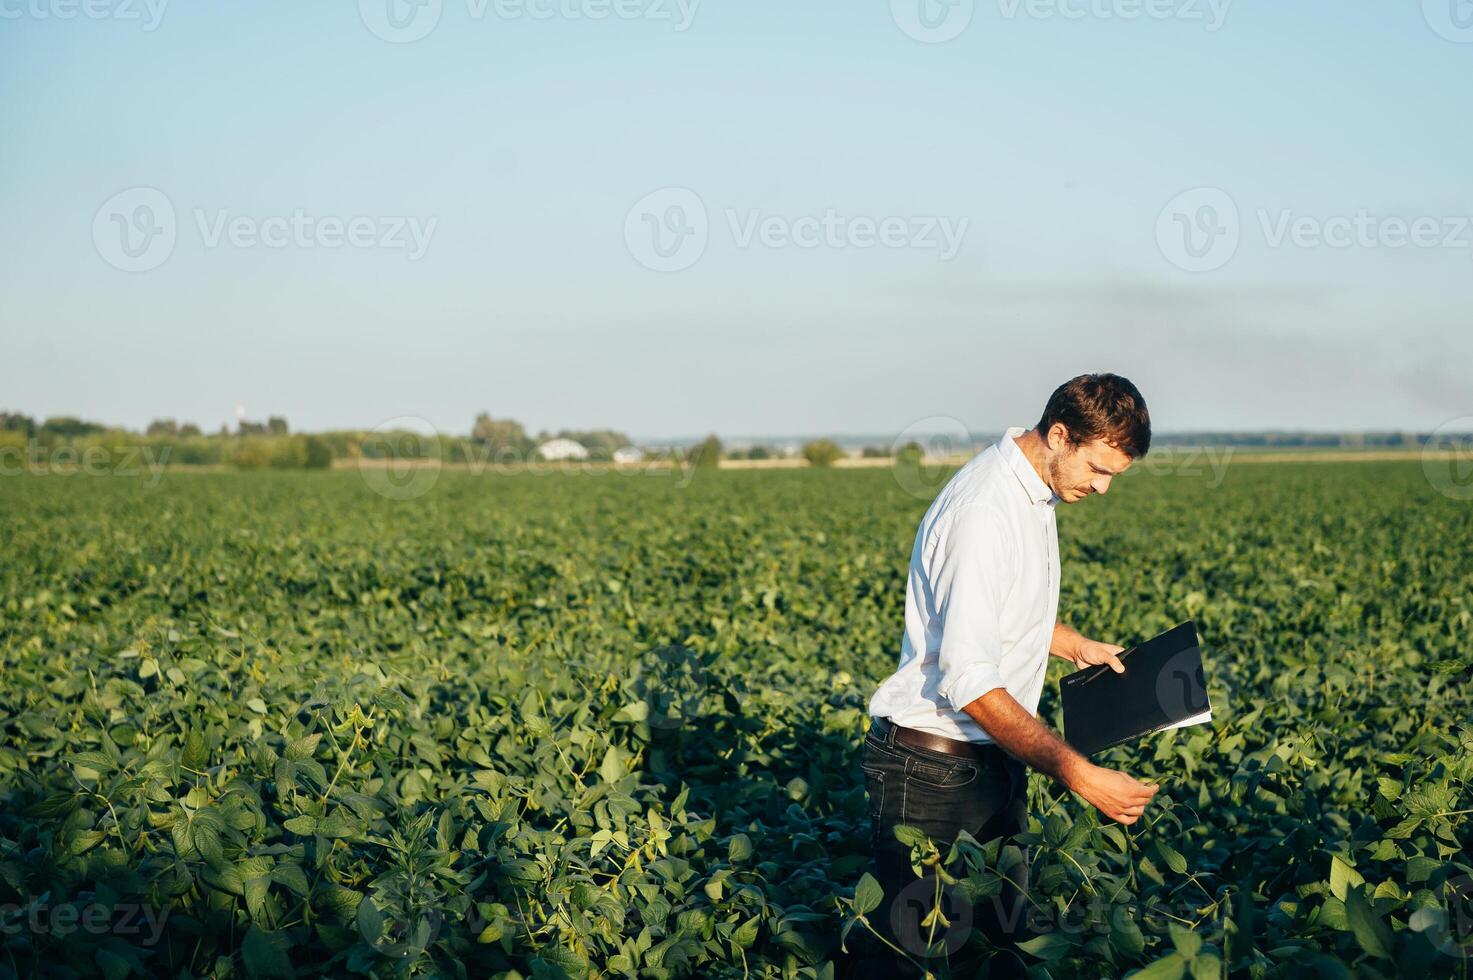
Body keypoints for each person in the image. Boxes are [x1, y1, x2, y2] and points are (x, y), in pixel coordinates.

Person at [858, 374, 1161, 978]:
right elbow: (969, 679)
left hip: (986, 762)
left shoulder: (1033, 494)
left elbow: (998, 615)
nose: (1102, 488)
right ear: (1058, 435)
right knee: (908, 961)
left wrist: (1075, 646)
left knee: (999, 950)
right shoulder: (984, 512)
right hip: (932, 777)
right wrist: (1078, 772)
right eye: (1098, 470)